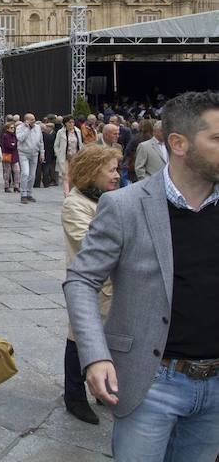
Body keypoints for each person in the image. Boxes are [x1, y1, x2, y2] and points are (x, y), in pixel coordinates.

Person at [64, 91, 219, 461]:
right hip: (152, 382)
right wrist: (95, 355)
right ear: (179, 143)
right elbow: (81, 281)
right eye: (216, 137)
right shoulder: (124, 206)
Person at [60, 145, 122, 425]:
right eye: (111, 170)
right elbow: (88, 243)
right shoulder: (75, 203)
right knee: (79, 339)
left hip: (112, 287)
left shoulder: (109, 198)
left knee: (107, 338)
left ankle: (103, 389)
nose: (117, 175)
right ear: (93, 172)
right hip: (89, 286)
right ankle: (74, 396)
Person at [16, 113, 45, 203]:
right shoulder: (19, 127)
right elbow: (20, 138)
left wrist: (42, 153)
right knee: (25, 173)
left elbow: (41, 141)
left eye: (34, 119)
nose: (34, 121)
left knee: (32, 175)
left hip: (34, 153)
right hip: (23, 153)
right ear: (26, 120)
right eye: (31, 119)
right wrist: (27, 128)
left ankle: (29, 193)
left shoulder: (38, 127)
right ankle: (23, 194)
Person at [55, 117, 84, 196]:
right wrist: (58, 154)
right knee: (65, 175)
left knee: (73, 176)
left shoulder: (77, 131)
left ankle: (72, 193)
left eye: (72, 122)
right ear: (65, 123)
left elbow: (80, 144)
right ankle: (66, 195)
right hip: (65, 157)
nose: (71, 124)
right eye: (69, 122)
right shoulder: (60, 132)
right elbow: (56, 145)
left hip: (75, 157)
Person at [0, 121, 20, 193]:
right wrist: (13, 145)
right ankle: (6, 186)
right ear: (7, 128)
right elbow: (8, 145)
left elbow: (16, 144)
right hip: (7, 155)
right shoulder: (5, 136)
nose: (13, 129)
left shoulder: (14, 135)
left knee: (17, 171)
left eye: (14, 128)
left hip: (14, 155)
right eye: (11, 128)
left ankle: (16, 186)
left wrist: (14, 145)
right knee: (7, 172)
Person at [41, 122, 58, 187]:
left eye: (48, 127)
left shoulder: (52, 135)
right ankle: (46, 182)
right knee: (46, 168)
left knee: (47, 169)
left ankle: (48, 181)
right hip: (48, 154)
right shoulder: (49, 136)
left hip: (48, 154)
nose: (46, 128)